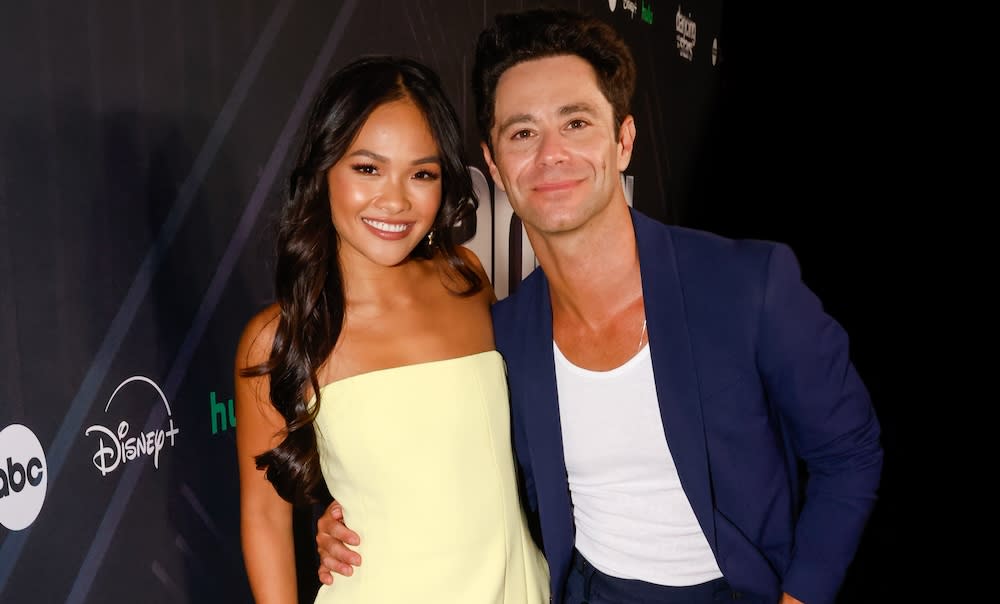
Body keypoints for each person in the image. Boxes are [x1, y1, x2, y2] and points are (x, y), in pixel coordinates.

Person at [317, 10, 883, 604]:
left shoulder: (748, 283)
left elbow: (849, 453)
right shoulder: (503, 332)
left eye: (577, 123)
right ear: (494, 164)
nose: (551, 154)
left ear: (623, 141)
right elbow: (446, 453)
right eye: (523, 133)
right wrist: (346, 520)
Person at [234, 55, 549, 603]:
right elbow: (264, 516)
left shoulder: (466, 278)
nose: (396, 200)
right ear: (324, 171)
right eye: (367, 168)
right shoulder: (278, 337)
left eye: (421, 173)